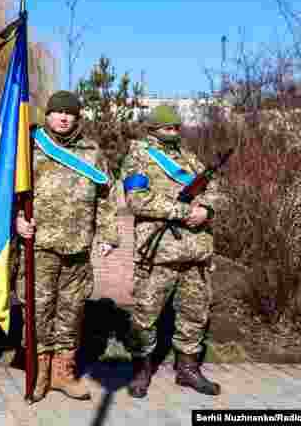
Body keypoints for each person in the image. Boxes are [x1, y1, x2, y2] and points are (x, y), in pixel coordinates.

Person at [14, 91, 118, 401]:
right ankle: (39, 371)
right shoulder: (28, 149)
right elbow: (9, 192)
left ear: (77, 117)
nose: (63, 117)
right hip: (40, 245)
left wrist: (109, 234)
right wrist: (17, 220)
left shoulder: (92, 152)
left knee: (71, 311)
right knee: (39, 309)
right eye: (57, 112)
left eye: (69, 113)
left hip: (78, 246)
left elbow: (107, 196)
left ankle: (63, 372)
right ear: (46, 116)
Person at [119, 104, 221, 398]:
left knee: (195, 313)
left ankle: (188, 370)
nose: (174, 132)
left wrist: (207, 209)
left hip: (196, 252)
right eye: (168, 127)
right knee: (145, 314)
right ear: (152, 129)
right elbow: (137, 200)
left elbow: (214, 188)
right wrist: (182, 211)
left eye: (177, 127)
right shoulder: (138, 157)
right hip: (159, 253)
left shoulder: (189, 158)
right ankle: (141, 370)